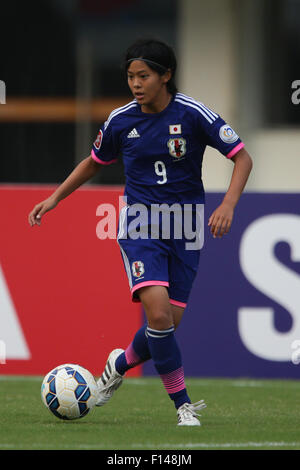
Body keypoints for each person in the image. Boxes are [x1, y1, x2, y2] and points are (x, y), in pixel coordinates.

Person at [29, 38, 253, 426]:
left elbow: (242, 157)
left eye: (144, 75)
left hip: (184, 229)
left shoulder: (195, 114)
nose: (135, 83)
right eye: (131, 76)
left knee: (164, 326)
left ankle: (120, 361)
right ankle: (183, 406)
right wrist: (55, 198)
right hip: (140, 226)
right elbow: (94, 162)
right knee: (160, 315)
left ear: (166, 76)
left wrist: (229, 204)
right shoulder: (121, 120)